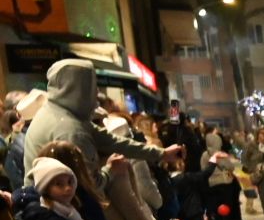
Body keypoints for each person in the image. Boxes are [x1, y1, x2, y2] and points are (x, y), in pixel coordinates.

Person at [21, 60, 182, 175]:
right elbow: (91, 183)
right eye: (92, 86)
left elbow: (112, 141)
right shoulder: (70, 130)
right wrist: (110, 170)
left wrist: (161, 153)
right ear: (80, 90)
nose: (96, 95)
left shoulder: (56, 113)